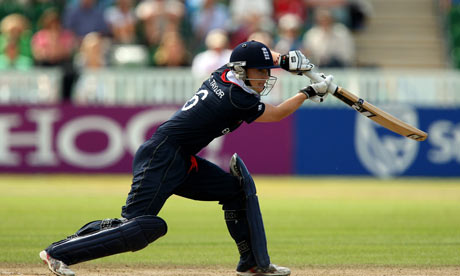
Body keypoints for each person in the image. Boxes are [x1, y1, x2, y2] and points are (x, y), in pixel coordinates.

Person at [38, 40, 333, 276]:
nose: (266, 77)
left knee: (236, 190)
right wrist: (309, 90)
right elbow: (279, 113)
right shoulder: (237, 98)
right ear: (244, 71)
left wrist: (286, 60)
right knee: (139, 227)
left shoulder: (224, 72)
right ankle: (58, 253)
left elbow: (255, 54)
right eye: (262, 72)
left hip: (181, 159)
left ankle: (253, 264)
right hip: (162, 156)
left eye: (268, 70)